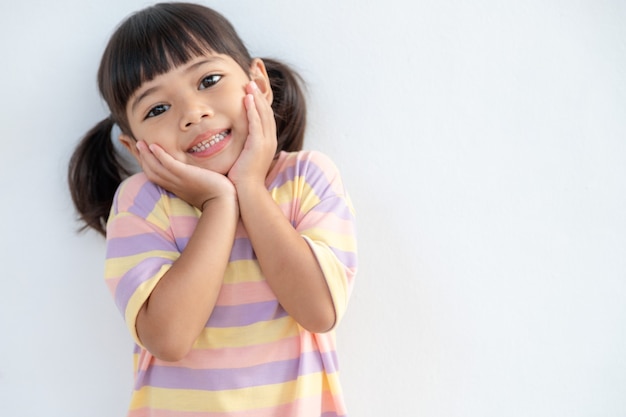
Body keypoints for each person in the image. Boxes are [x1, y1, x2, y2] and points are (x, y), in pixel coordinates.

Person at [67, 2, 357, 416]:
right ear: (134, 147)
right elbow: (168, 338)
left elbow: (319, 310)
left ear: (257, 82)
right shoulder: (142, 203)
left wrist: (249, 188)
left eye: (209, 80)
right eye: (157, 109)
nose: (193, 113)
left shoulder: (306, 179)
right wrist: (219, 204)